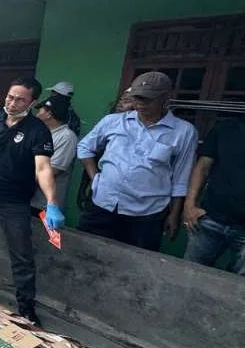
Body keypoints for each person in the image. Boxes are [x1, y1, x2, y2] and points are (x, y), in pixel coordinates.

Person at [0, 77, 63, 325]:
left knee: (21, 253)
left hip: (14, 201)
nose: (13, 103)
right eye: (9, 97)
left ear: (32, 102)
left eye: (20, 99)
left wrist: (52, 202)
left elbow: (43, 168)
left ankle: (26, 305)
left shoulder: (37, 131)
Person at [76, 72, 197, 251]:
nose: (140, 104)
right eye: (137, 98)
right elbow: (84, 147)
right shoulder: (113, 122)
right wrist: (95, 178)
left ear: (165, 98)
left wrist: (174, 214)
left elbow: (181, 177)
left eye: (147, 100)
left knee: (134, 265)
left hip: (146, 214)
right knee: (84, 253)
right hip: (103, 204)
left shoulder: (183, 132)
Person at [182, 92, 245, 279]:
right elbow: (202, 167)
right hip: (210, 220)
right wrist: (190, 205)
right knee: (188, 275)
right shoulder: (228, 129)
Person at [32, 93, 78, 212]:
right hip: (29, 199)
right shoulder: (40, 133)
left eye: (40, 111)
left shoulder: (67, 137)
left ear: (49, 114)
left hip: (44, 204)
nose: (37, 114)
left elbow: (52, 170)